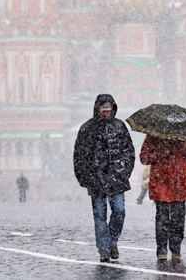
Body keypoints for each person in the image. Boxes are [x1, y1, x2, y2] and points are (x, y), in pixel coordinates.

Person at [73, 94, 135, 263]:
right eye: (103, 110)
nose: (106, 113)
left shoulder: (119, 127)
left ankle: (112, 240)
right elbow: (79, 156)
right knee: (99, 216)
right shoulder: (87, 128)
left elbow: (128, 151)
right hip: (96, 180)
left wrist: (123, 172)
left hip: (117, 179)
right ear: (97, 110)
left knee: (119, 212)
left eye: (108, 110)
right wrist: (86, 178)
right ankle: (104, 249)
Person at [140, 135, 186, 261]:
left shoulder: (185, 134)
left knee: (178, 217)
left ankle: (176, 247)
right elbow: (143, 158)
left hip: (180, 181)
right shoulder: (153, 134)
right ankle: (161, 248)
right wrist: (159, 153)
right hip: (161, 180)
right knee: (162, 217)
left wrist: (180, 144)